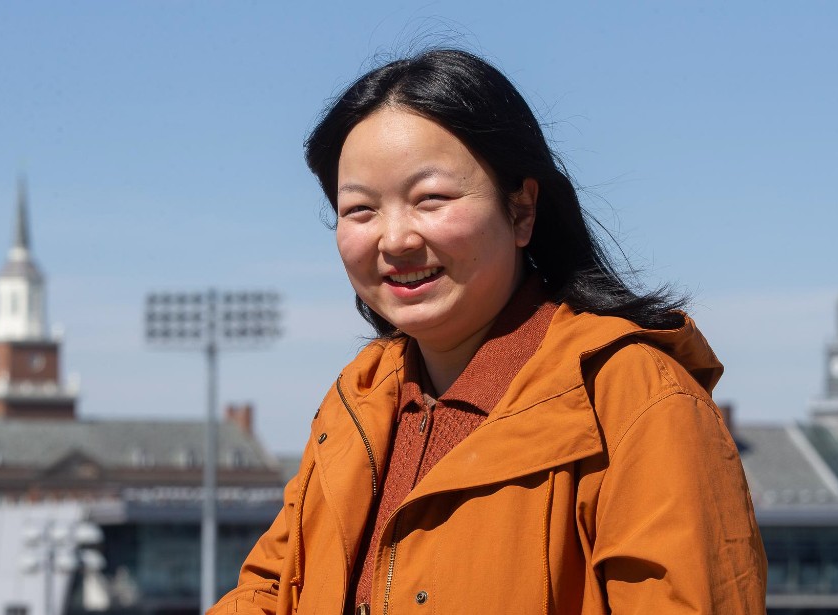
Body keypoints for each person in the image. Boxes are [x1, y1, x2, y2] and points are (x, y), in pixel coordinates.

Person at [210, 48, 766, 615]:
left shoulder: (634, 398)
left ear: (522, 210)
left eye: (431, 199)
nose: (394, 238)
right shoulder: (357, 399)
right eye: (360, 210)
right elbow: (270, 592)